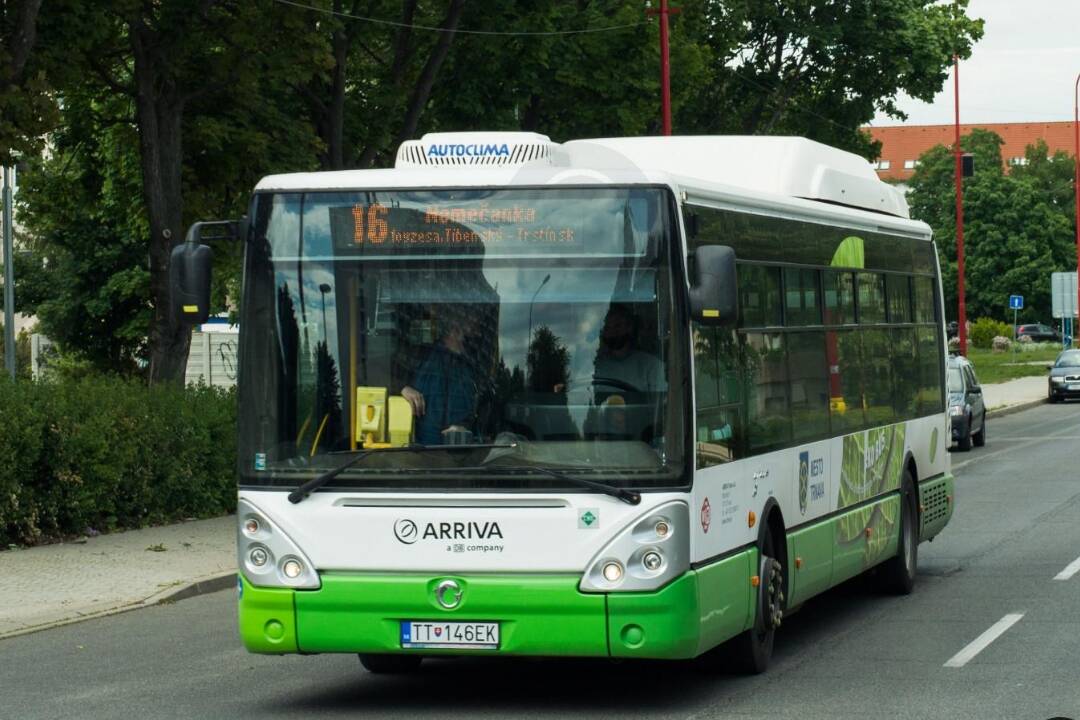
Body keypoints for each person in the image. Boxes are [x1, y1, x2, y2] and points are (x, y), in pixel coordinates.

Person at [401, 310, 478, 445]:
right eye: (463, 334)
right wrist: (402, 389)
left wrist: (464, 428)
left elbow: (477, 410)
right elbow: (384, 377)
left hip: (458, 453)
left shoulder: (469, 368)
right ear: (454, 332)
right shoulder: (423, 358)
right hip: (419, 453)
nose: (465, 342)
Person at [593, 304, 666, 393]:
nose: (612, 332)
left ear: (630, 328)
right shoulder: (598, 366)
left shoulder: (652, 366)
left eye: (617, 326)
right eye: (608, 327)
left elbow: (662, 402)